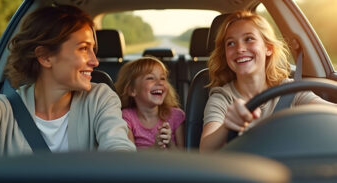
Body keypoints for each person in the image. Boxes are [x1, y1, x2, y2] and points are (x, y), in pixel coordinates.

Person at [0, 4, 136, 157]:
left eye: (93, 49)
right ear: (45, 57)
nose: (95, 61)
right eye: (84, 48)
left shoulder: (100, 98)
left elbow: (118, 146)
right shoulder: (3, 109)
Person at [199, 10, 335, 152]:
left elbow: (327, 111)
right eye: (231, 43)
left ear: (268, 48)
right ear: (226, 55)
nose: (239, 49)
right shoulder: (222, 97)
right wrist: (227, 125)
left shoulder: (291, 90)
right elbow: (205, 149)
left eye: (249, 39)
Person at [115, 57, 185, 150]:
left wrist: (170, 144)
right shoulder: (126, 117)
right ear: (132, 90)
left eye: (163, 78)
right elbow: (130, 157)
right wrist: (155, 148)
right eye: (150, 78)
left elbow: (183, 157)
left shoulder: (175, 115)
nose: (159, 82)